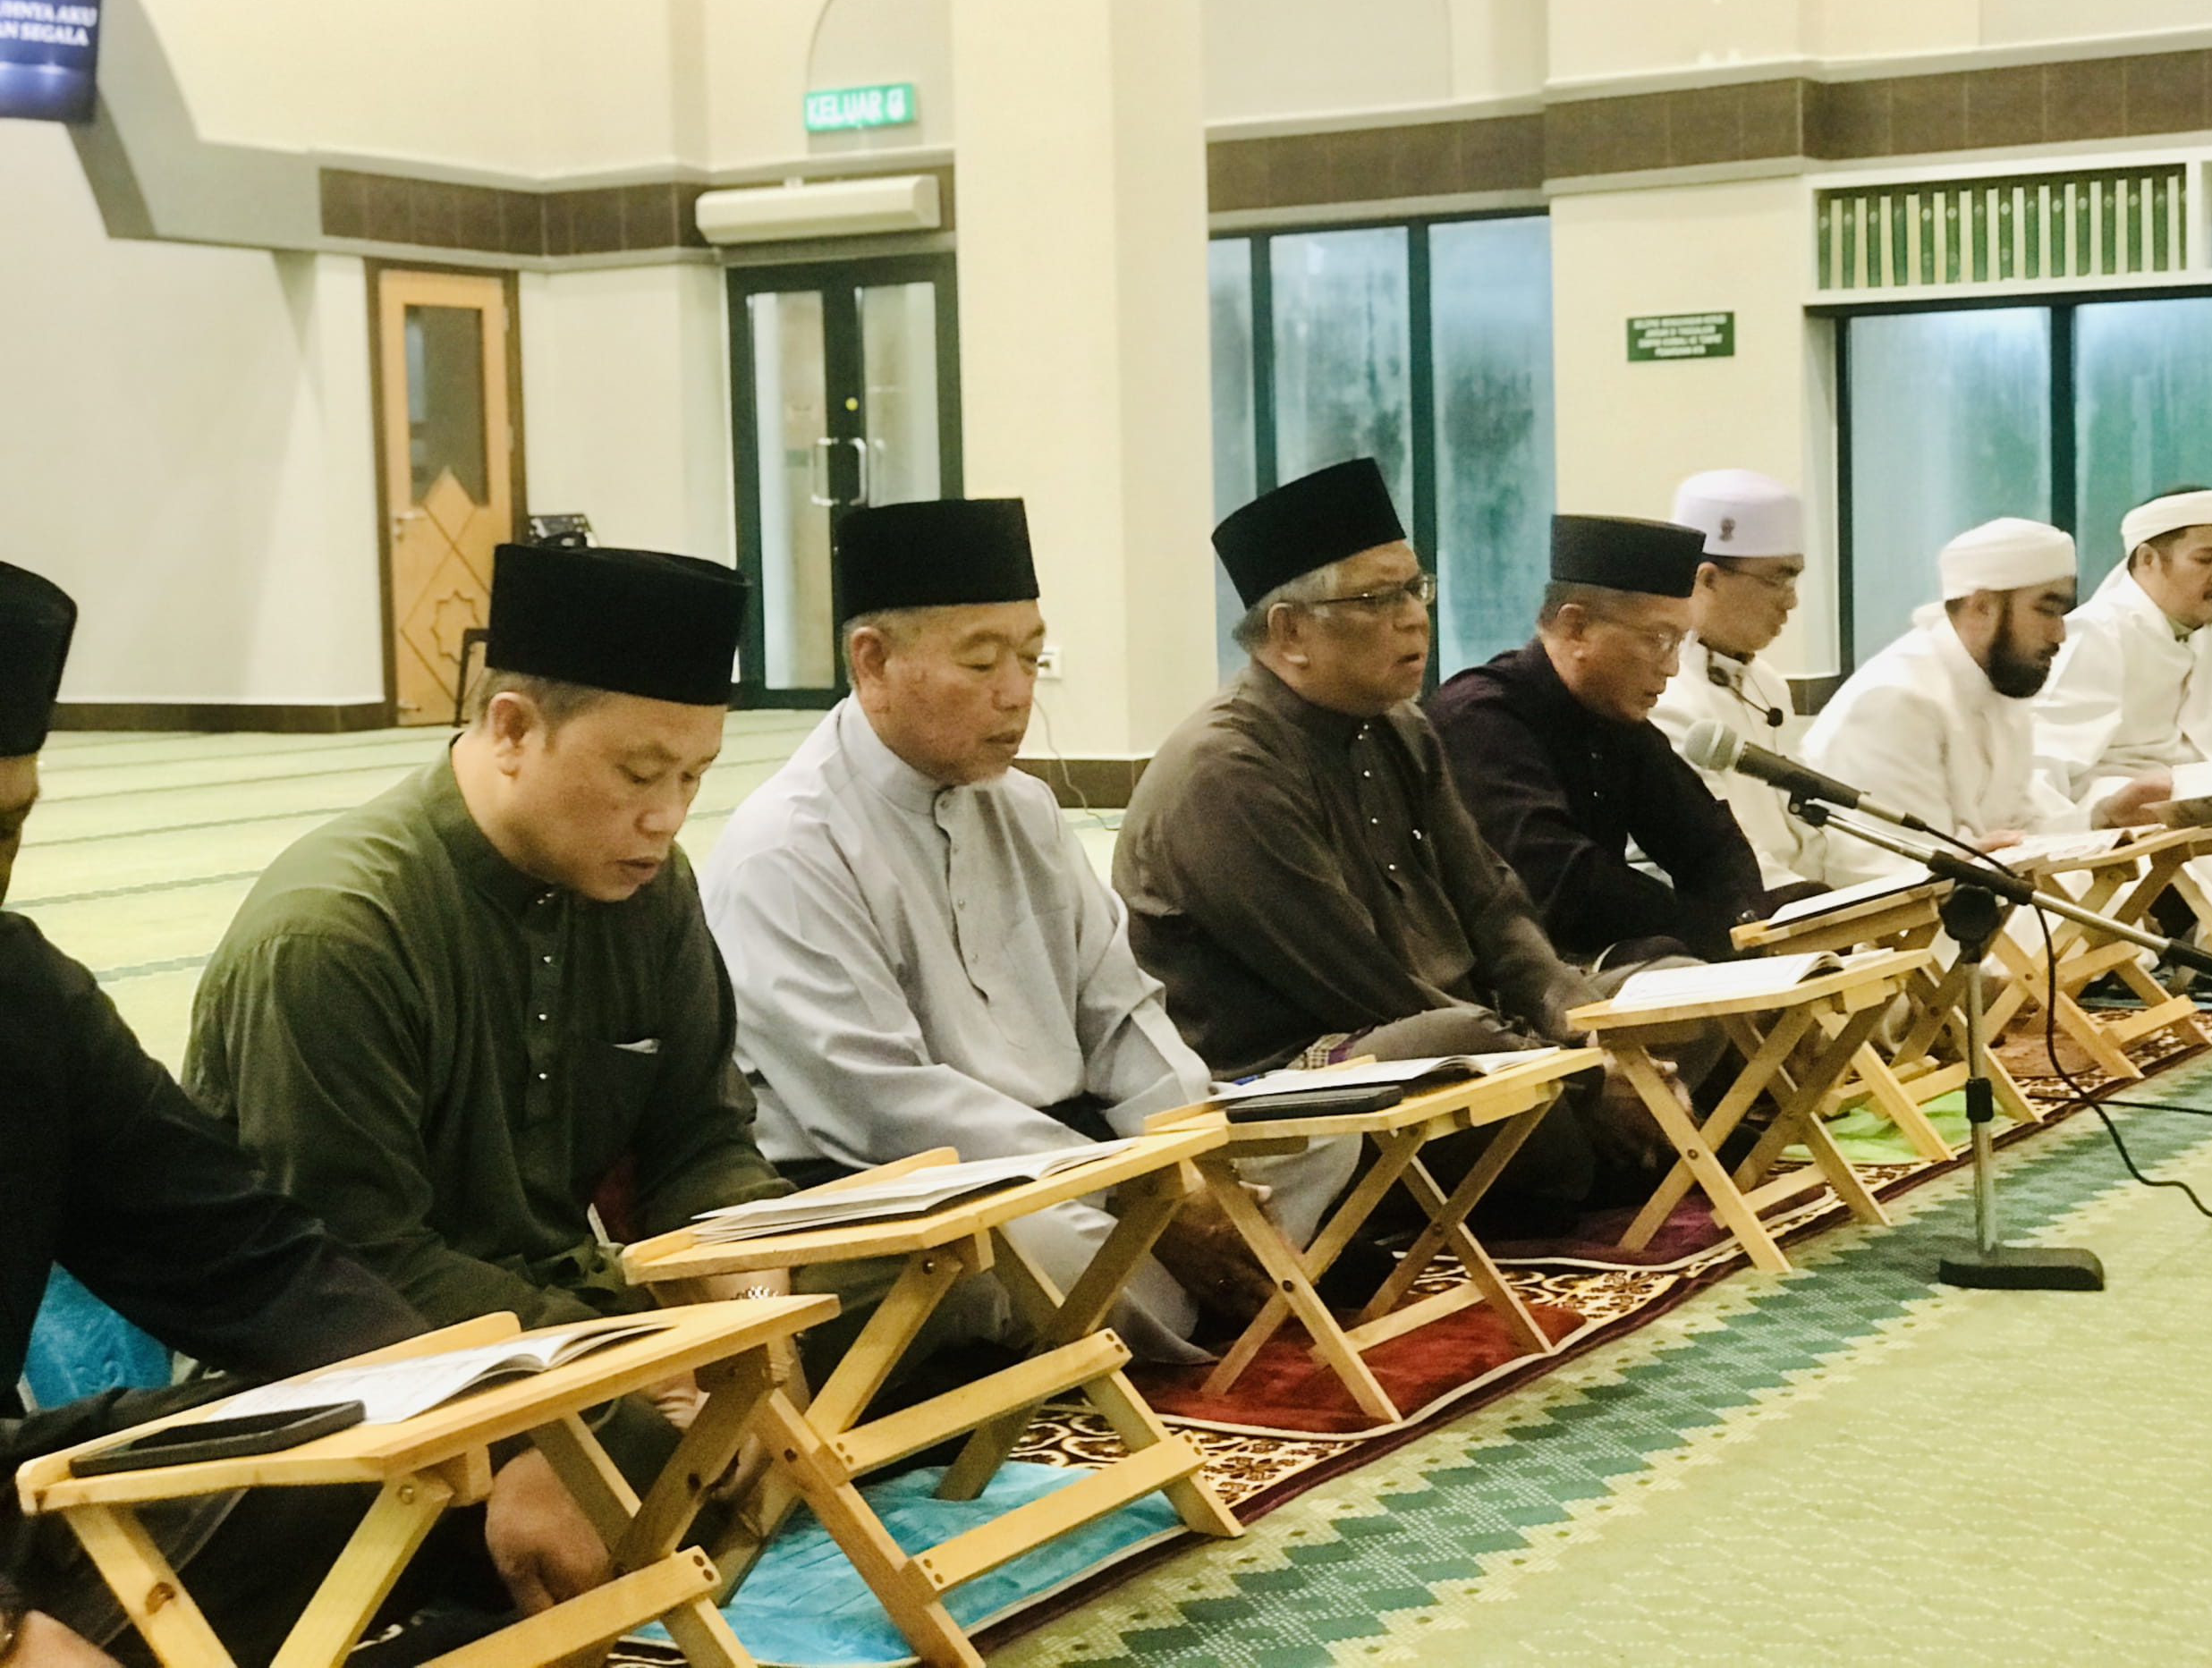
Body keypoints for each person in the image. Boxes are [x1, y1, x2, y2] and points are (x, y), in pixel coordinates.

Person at [0, 563, 606, 1668]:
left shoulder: (23, 999)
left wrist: (494, 1430)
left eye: (7, 829)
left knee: (395, 1459)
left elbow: (250, 1261)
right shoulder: (332, 926)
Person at [184, 543, 791, 1478]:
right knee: (635, 1449)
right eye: (639, 774)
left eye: (694, 777)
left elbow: (702, 1144)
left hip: (573, 1319)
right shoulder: (335, 935)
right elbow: (355, 1264)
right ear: (511, 730)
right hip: (372, 1365)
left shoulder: (648, 888)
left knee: (935, 1296)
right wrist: (622, 1367)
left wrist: (753, 1324)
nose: (668, 816)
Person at [700, 499, 1343, 1356]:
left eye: (1031, 658)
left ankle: (1205, 1279)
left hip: (1097, 1155)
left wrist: (1187, 1161)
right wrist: (1129, 1192)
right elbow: (882, 1106)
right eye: (981, 662)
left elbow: (1119, 1010)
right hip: (926, 1177)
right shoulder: (786, 847)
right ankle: (1228, 1292)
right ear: (873, 661)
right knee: (1023, 1245)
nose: (1017, 693)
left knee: (1324, 1139)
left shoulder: (1027, 808)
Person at [1115, 460, 1674, 1237]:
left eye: (1416, 590)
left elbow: (1493, 905)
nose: (1414, 620)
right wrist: (1575, 1074)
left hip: (1471, 1032)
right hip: (1304, 1069)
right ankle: (1606, 1148)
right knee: (1458, 1048)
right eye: (1378, 600)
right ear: (1290, 632)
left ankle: (1587, 1149)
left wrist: (1579, 1022)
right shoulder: (1225, 769)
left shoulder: (1401, 727)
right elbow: (1363, 985)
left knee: (1666, 990)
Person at [1424, 512, 1782, 966]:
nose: (1672, 667)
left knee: (1804, 909)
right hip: (1514, 978)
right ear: (1576, 627)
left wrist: (1741, 923)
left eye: (1679, 643)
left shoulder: (1613, 716)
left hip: (1599, 954)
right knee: (1671, 963)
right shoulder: (1481, 717)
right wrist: (1712, 929)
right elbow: (1562, 884)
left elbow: (1711, 844)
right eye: (1658, 639)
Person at [1801, 518, 2170, 886]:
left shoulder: (1999, 686)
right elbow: (1893, 873)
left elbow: (2019, 831)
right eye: (2046, 610)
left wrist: (2100, 820)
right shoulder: (1895, 700)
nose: (2060, 634)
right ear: (1981, 607)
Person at [1648, 470, 1826, 891]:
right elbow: (1731, 862)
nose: (1791, 600)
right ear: (1707, 580)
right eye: (1778, 578)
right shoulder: (1663, 695)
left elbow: (1811, 833)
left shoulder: (1767, 683)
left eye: (1795, 579)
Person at [2032, 487, 2212, 817]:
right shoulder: (2097, 633)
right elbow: (2043, 769)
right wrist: (2091, 822)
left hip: (2191, 806)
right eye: (2204, 560)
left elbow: (2209, 751)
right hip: (2111, 818)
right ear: (2147, 560)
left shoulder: (2208, 633)